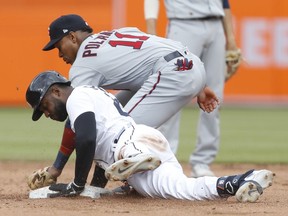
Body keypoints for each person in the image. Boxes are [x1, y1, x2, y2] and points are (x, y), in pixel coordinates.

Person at [26, 71, 274, 202]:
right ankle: (240, 181)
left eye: (44, 106)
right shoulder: (90, 94)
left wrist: (77, 185)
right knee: (182, 189)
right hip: (146, 139)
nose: (46, 113)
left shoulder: (77, 98)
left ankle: (135, 158)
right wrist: (93, 189)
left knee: (126, 156)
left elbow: (87, 139)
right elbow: (97, 149)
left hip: (129, 143)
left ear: (56, 91)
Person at [38, 14, 220, 184]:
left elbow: (78, 117)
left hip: (173, 72)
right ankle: (126, 169)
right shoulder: (116, 33)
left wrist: (57, 167)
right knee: (115, 114)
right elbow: (154, 48)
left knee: (119, 132)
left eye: (58, 46)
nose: (60, 54)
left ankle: (137, 159)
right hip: (189, 64)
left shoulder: (83, 64)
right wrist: (199, 84)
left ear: (72, 37)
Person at [144, 0, 241, 177]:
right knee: (173, 93)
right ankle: (166, 160)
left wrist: (231, 39)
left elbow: (224, 2)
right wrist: (152, 31)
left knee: (214, 96)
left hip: (216, 26)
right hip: (183, 24)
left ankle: (202, 162)